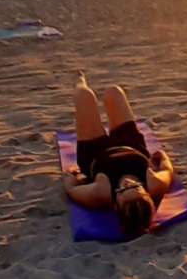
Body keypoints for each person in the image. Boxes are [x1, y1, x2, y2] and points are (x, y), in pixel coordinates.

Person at [62, 73, 176, 239]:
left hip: (95, 151)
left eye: (122, 190)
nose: (127, 182)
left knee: (84, 96)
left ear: (116, 205)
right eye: (136, 187)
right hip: (131, 144)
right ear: (146, 194)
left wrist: (72, 175)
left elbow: (71, 189)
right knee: (114, 92)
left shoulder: (100, 195)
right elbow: (168, 169)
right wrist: (163, 157)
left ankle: (79, 80)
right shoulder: (155, 185)